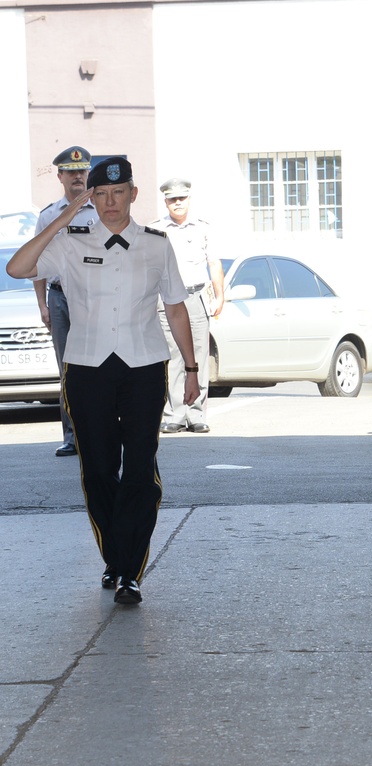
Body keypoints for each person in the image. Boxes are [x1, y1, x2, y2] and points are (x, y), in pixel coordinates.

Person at [7, 157, 198, 606]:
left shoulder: (156, 244)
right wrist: (67, 216)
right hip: (88, 367)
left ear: (133, 193)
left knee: (139, 469)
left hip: (144, 366)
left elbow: (174, 307)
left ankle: (130, 570)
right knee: (97, 468)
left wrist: (191, 369)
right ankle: (113, 556)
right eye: (101, 194)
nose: (110, 203)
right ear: (91, 196)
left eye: (119, 192)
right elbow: (18, 268)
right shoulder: (71, 242)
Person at [33, 146, 99, 458]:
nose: (77, 176)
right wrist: (43, 305)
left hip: (94, 297)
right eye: (71, 172)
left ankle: (101, 431)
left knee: (99, 364)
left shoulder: (102, 210)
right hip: (59, 298)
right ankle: (72, 437)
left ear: (88, 174)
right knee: (68, 369)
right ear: (60, 176)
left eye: (82, 171)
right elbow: (37, 261)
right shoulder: (48, 215)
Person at [149, 178, 225, 433]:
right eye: (172, 199)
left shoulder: (203, 228)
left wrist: (219, 296)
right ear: (166, 202)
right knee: (172, 357)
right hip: (168, 300)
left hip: (196, 297)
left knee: (199, 356)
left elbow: (213, 263)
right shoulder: (156, 230)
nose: (177, 203)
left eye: (182, 198)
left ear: (189, 200)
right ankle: (174, 415)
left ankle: (197, 414)